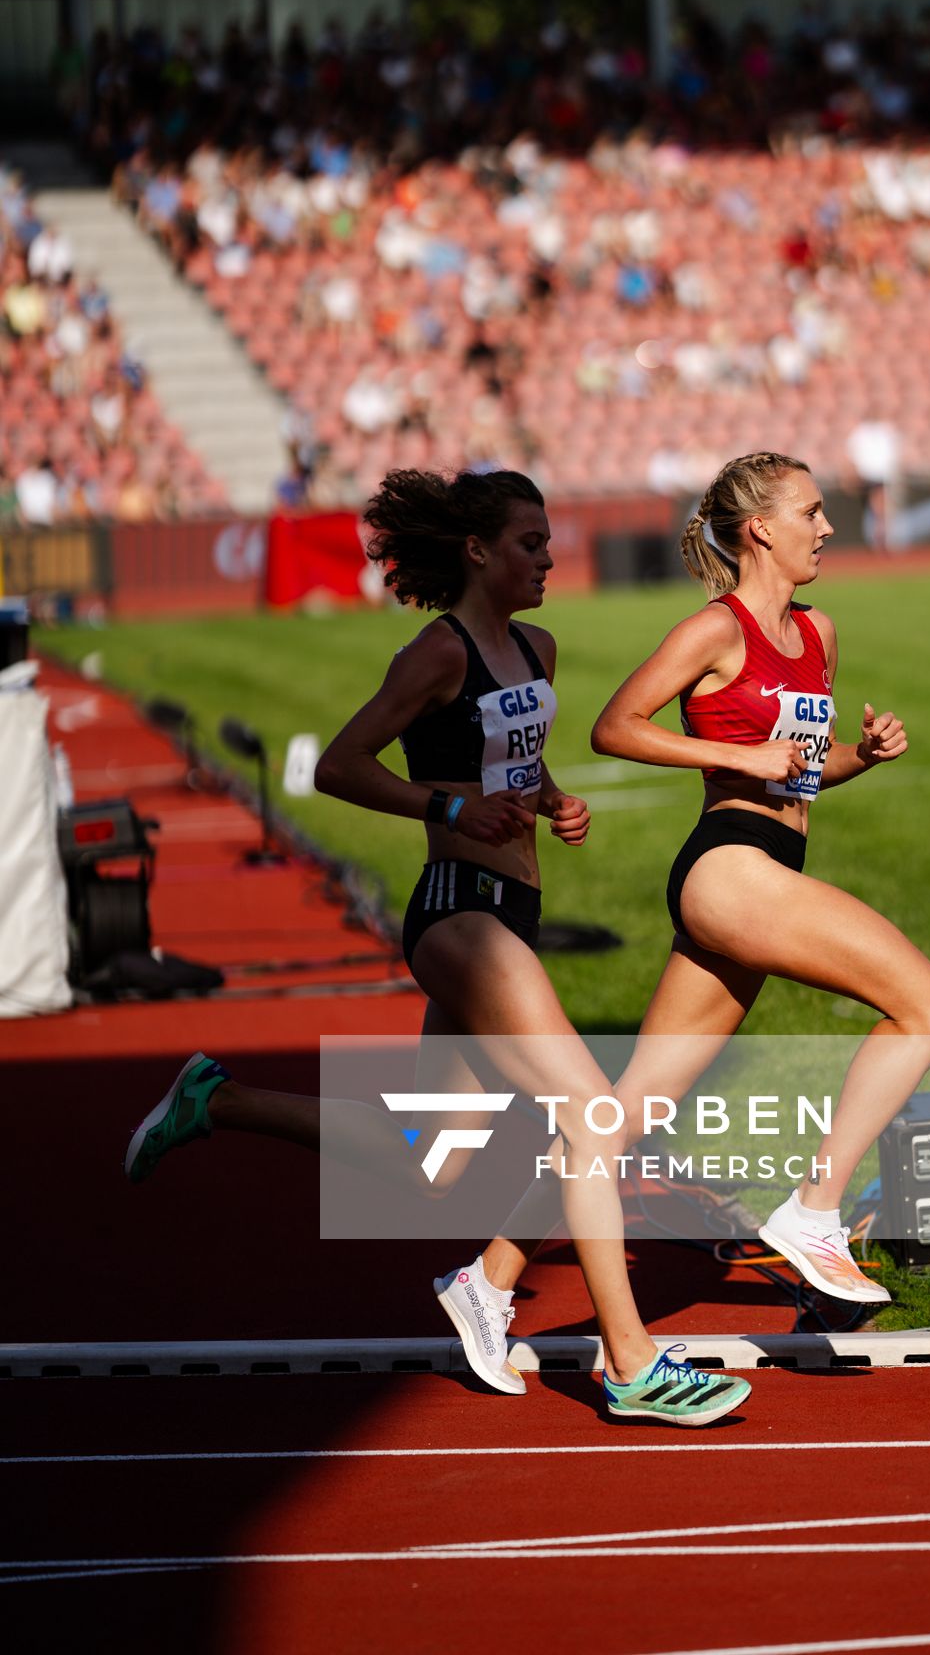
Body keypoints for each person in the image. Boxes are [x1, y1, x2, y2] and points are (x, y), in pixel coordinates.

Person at [122, 467, 751, 1428]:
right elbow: (339, 765)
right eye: (530, 544)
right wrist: (447, 804)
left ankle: (219, 1099)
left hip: (514, 908)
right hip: (461, 915)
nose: (548, 558)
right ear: (478, 552)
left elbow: (518, 764)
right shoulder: (437, 655)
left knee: (431, 1158)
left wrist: (551, 800)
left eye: (548, 542)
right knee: (594, 1116)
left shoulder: (537, 649)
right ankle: (629, 1363)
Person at [475, 451, 930, 1327]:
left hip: (770, 863)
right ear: (761, 530)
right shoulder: (715, 630)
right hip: (727, 869)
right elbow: (614, 726)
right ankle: (815, 1212)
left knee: (625, 1114)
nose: (827, 527)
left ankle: (488, 1280)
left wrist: (863, 756)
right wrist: (737, 756)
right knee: (928, 1007)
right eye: (812, 512)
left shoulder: (819, 633)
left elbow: (799, 780)